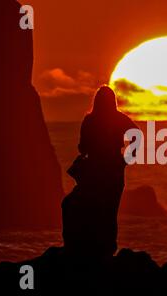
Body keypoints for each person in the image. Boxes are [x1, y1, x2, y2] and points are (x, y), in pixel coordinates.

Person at [62, 85, 137, 259]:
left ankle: (92, 248)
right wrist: (127, 158)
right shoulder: (118, 119)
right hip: (113, 171)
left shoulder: (90, 120)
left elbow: (82, 147)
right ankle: (107, 249)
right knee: (110, 211)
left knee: (90, 208)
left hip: (95, 172)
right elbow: (137, 134)